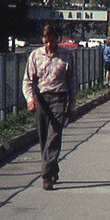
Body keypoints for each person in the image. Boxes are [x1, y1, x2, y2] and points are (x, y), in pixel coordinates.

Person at [24, 24, 76, 191]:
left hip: (59, 100)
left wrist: (72, 107)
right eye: (45, 41)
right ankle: (53, 169)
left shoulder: (66, 56)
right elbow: (28, 81)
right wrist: (30, 99)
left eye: (51, 41)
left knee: (54, 138)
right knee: (44, 139)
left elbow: (72, 83)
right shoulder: (35, 56)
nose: (48, 45)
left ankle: (46, 177)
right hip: (41, 101)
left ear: (57, 39)